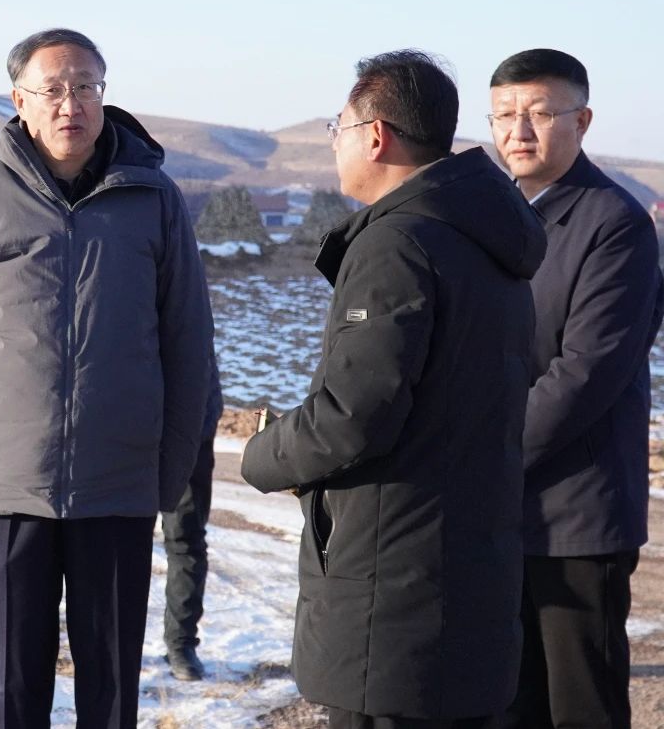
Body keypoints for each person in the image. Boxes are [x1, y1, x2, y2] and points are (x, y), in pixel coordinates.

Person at [0, 28, 214, 729]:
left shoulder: (153, 197)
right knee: (15, 691)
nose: (73, 104)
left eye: (87, 87)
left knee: (112, 693)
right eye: (54, 89)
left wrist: (169, 475)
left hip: (117, 487)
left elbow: (190, 344)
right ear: (19, 100)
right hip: (4, 490)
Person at [241, 50, 547, 729]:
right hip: (466, 577)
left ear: (375, 135)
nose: (335, 144)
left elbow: (353, 416)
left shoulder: (398, 243)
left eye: (339, 127)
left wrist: (261, 454)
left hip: (393, 599)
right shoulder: (485, 238)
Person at [488, 49, 663, 729]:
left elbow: (583, 376)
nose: (519, 132)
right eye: (504, 114)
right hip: (500, 510)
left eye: (538, 113)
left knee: (579, 706)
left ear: (582, 121)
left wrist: (485, 454)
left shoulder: (614, 224)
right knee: (506, 702)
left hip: (577, 517)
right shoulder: (495, 214)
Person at [161, 355, 222, 681]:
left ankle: (181, 644)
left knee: (185, 537)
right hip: (126, 429)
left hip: (190, 427)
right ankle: (111, 644)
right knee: (117, 538)